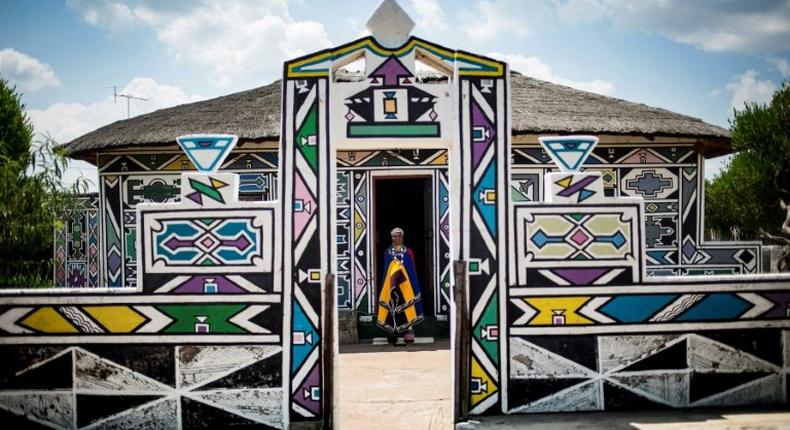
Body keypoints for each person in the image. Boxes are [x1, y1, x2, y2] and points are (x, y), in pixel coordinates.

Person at [376, 227, 424, 346]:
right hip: (391, 286)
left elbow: (412, 270)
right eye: (394, 236)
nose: (396, 238)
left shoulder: (408, 252)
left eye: (399, 236)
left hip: (406, 287)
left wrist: (412, 284)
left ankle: (408, 336)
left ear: (402, 237)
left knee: (407, 309)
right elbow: (386, 271)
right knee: (391, 311)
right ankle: (391, 337)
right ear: (391, 237)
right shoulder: (387, 252)